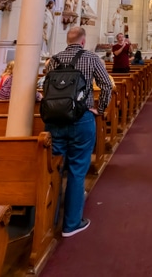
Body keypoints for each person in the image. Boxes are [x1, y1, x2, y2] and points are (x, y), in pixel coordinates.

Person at [43, 25, 113, 237]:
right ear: (83, 41)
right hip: (82, 119)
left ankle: (48, 223)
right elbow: (107, 86)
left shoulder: (53, 59)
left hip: (54, 120)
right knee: (76, 171)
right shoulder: (91, 58)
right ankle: (71, 224)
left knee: (54, 169)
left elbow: (45, 84)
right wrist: (99, 110)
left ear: (67, 40)